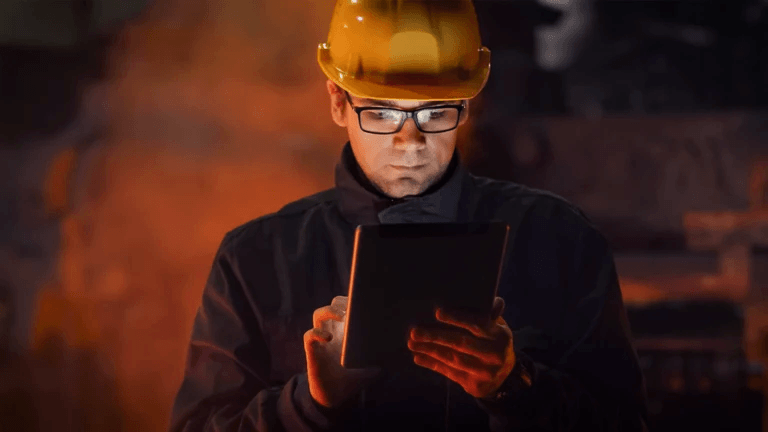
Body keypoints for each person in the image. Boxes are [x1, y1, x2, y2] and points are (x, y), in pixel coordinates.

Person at [169, 1, 648, 431]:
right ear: (337, 101)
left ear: (466, 105)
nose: (411, 143)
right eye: (382, 114)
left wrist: (515, 384)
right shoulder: (254, 260)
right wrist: (310, 404)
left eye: (434, 113)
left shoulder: (560, 240)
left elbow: (623, 422)